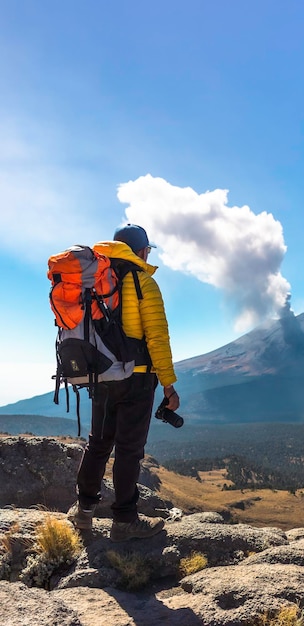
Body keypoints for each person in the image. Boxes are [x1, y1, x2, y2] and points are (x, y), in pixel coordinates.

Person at [68, 223, 180, 542]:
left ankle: (84, 512)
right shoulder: (143, 282)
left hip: (102, 377)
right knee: (129, 450)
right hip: (138, 379)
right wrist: (169, 387)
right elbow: (157, 337)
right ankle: (125, 521)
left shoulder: (95, 281)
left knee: (99, 443)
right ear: (142, 251)